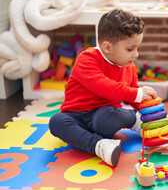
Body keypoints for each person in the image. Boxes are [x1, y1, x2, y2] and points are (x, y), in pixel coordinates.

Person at [49, 9, 157, 166]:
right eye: (130, 49)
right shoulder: (87, 60)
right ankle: (99, 145)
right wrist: (137, 94)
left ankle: (136, 120)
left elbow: (132, 95)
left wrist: (149, 112)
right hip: (76, 116)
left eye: (137, 48)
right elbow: (103, 86)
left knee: (106, 116)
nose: (136, 54)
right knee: (56, 121)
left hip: (103, 117)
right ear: (107, 47)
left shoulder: (129, 66)